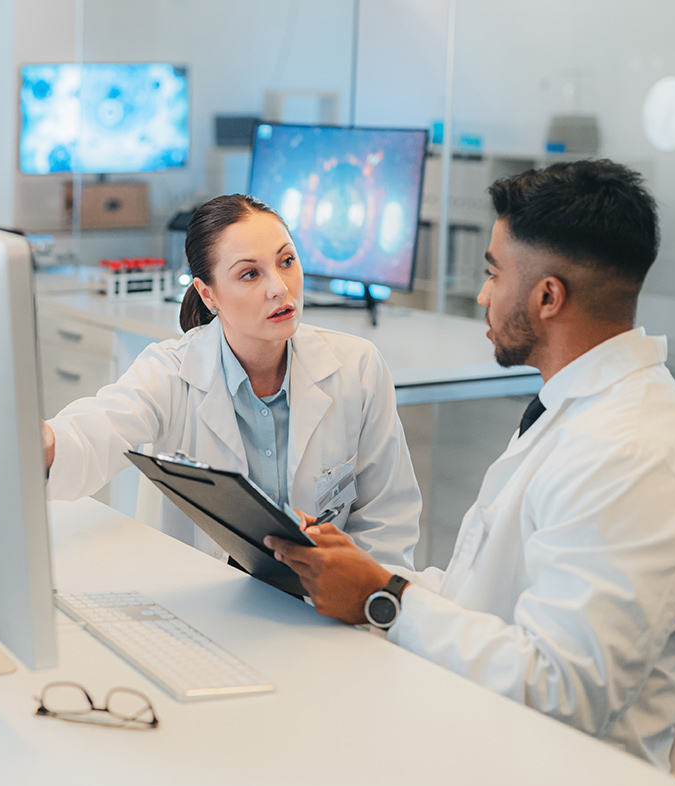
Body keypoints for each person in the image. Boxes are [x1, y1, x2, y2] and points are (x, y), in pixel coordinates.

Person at [265, 159, 675, 770]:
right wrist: (361, 574)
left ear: (548, 296)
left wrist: (382, 597)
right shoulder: (575, 406)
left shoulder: (633, 449)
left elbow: (563, 691)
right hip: (480, 737)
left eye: (495, 274)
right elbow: (486, 598)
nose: (482, 294)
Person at [43, 194, 421, 569]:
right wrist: (40, 443)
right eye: (250, 274)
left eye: (286, 261)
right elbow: (94, 432)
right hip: (203, 608)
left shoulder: (357, 368)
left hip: (325, 613)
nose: (279, 288)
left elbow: (387, 522)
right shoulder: (172, 373)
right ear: (208, 295)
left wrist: (367, 603)